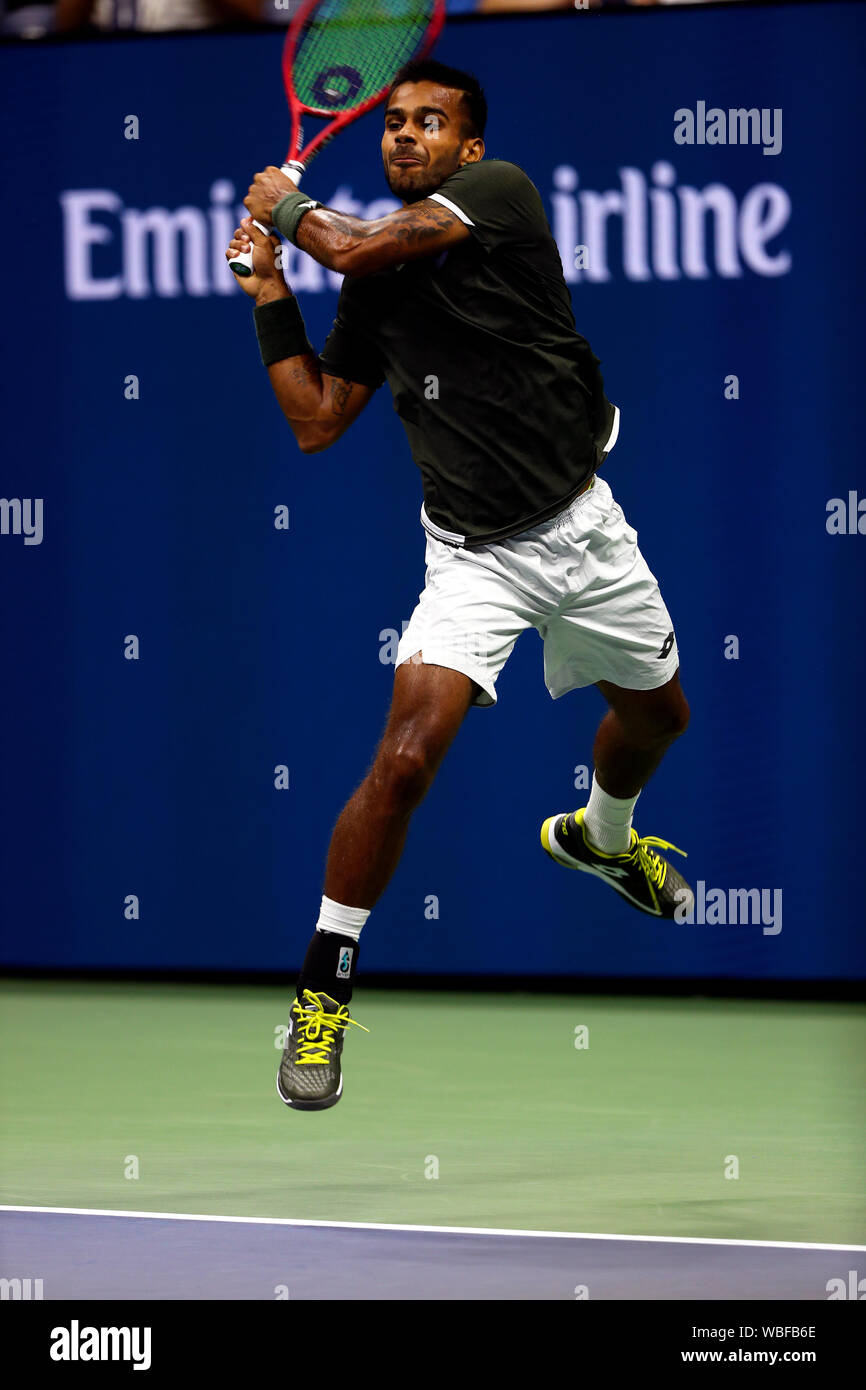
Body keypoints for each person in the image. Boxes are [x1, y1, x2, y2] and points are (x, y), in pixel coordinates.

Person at [226, 59, 693, 1111]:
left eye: (426, 123)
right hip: (471, 555)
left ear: (467, 148)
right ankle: (322, 996)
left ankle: (600, 838)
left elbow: (346, 236)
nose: (401, 135)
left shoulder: (500, 197)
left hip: (583, 531)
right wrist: (267, 296)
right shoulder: (371, 281)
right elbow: (316, 420)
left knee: (658, 719)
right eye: (390, 123)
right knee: (401, 761)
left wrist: (282, 207)